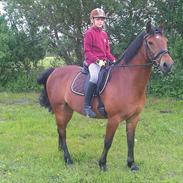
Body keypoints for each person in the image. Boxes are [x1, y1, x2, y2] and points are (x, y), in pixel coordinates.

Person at [83, 8, 116, 118]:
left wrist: (114, 60)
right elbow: (87, 52)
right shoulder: (89, 33)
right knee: (94, 78)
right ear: (92, 20)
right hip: (93, 62)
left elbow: (107, 52)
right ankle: (87, 107)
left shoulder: (104, 34)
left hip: (104, 62)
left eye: (102, 19)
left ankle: (102, 105)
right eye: (98, 19)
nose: (100, 21)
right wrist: (97, 61)